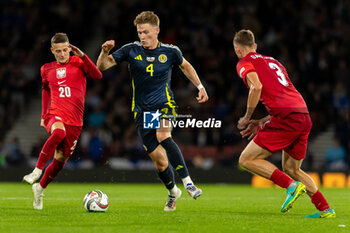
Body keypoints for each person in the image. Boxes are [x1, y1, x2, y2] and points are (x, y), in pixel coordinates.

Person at [97, 11, 209, 211]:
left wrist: (200, 87)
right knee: (160, 162)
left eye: (146, 32)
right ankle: (173, 192)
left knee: (163, 135)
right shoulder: (131, 50)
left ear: (157, 31)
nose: (142, 36)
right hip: (141, 111)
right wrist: (104, 51)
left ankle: (189, 182)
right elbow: (102, 67)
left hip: (164, 105)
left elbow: (185, 66)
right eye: (139, 32)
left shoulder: (170, 52)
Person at [233, 29, 335, 218]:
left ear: (238, 50)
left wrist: (247, 116)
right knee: (292, 168)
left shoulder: (244, 62)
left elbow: (256, 87)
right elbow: (283, 96)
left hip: (287, 118)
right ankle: (325, 209)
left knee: (245, 160)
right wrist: (262, 121)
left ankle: (291, 186)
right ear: (255, 46)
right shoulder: (274, 62)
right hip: (302, 115)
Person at [22, 33, 102, 210]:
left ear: (70, 48)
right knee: (59, 132)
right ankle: (37, 169)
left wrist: (82, 55)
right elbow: (45, 91)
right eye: (58, 51)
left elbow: (98, 76)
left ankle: (40, 188)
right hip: (55, 114)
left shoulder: (79, 63)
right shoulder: (46, 69)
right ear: (52, 51)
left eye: (65, 50)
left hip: (75, 121)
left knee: (59, 162)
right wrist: (44, 115)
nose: (62, 54)